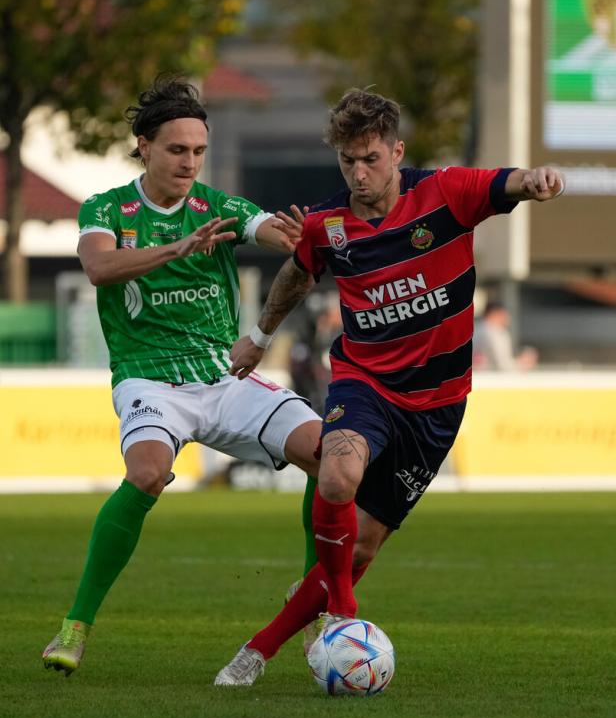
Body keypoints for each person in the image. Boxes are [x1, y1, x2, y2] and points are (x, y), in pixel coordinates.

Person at [214, 87, 565, 686]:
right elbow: (295, 276)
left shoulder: (444, 195)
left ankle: (307, 607)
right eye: (348, 161)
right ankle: (286, 639)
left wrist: (536, 179)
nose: (359, 172)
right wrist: (259, 335)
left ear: (397, 152)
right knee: (336, 474)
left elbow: (508, 182)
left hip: (437, 406)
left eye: (370, 158)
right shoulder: (328, 224)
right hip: (365, 380)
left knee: (360, 551)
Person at [42, 76, 322, 676]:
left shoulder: (216, 207)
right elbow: (96, 267)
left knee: (328, 452)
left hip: (223, 377)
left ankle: (311, 599)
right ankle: (75, 626)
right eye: (177, 150)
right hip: (149, 380)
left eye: (198, 151)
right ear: (144, 146)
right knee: (147, 473)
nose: (190, 162)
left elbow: (264, 228)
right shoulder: (107, 208)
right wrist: (174, 249)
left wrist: (295, 238)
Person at [473, 300, 538, 370]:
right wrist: (523, 362)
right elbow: (503, 365)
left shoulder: (475, 329)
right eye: (504, 314)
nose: (508, 317)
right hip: (489, 377)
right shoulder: (495, 333)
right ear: (495, 314)